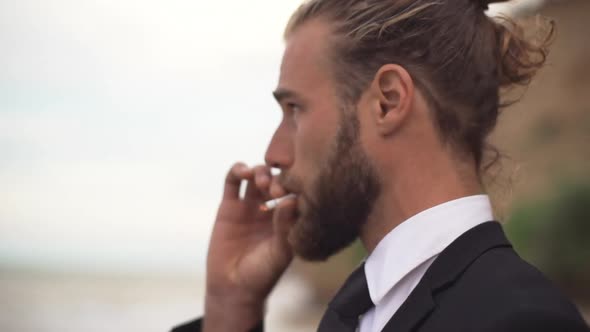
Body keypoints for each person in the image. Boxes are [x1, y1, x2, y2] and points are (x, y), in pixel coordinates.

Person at [172, 0, 590, 331]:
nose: (274, 153)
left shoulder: (521, 321)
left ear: (388, 101)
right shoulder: (358, 310)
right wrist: (230, 307)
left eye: (295, 109)